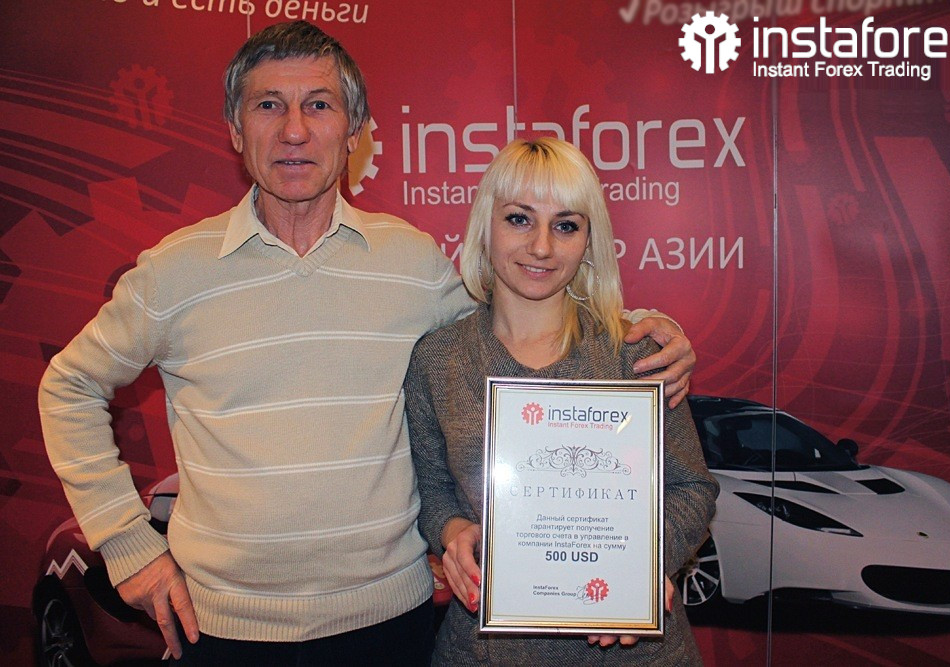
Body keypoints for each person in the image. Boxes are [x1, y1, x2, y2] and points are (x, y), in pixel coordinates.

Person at [37, 21, 695, 665]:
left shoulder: (410, 263)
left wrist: (638, 327)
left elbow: (523, 310)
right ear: (236, 129)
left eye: (319, 105)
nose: (295, 130)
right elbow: (68, 386)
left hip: (389, 628)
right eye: (268, 105)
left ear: (354, 131)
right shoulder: (173, 272)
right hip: (224, 631)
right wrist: (128, 547)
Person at [404, 137, 718, 665]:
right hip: (486, 652)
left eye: (566, 225)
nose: (542, 247)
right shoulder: (439, 360)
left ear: (589, 240)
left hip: (634, 653)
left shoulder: (636, 354)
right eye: (519, 219)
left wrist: (635, 569)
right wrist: (452, 531)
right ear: (486, 225)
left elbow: (692, 488)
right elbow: (433, 492)